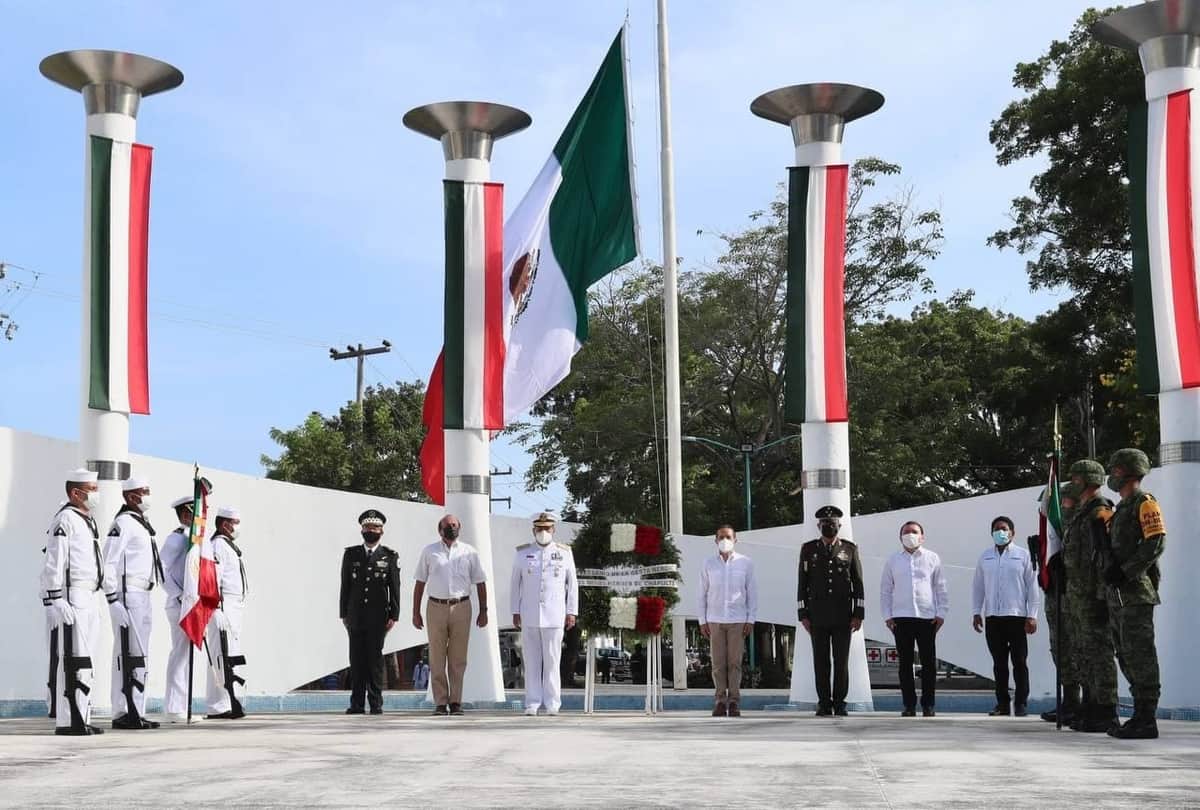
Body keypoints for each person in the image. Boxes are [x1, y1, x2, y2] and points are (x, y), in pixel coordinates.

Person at [1103, 448, 1166, 740]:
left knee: (1140, 654)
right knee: (1125, 653)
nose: (1112, 475)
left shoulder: (1145, 502)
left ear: (1129, 472)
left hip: (1136, 592)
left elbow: (1156, 542)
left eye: (1116, 470)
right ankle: (1139, 715)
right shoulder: (1121, 508)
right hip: (1118, 594)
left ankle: (1147, 717)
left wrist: (1126, 571)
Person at [41, 469, 106, 735]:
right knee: (74, 657)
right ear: (76, 493)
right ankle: (68, 720)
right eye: (92, 489)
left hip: (90, 594)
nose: (96, 493)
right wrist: (56, 598)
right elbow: (55, 560)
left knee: (86, 659)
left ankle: (82, 715)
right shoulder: (65, 519)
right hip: (73, 594)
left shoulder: (87, 520)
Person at [412, 514, 488, 716]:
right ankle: (440, 702)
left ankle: (455, 702)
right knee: (436, 657)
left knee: (458, 658)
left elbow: (480, 582)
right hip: (435, 606)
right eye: (448, 525)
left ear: (459, 528)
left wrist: (484, 610)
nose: (451, 528)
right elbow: (420, 582)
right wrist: (415, 612)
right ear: (440, 530)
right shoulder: (430, 551)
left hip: (461, 606)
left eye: (454, 525)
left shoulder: (469, 552)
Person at [1063, 459, 1119, 733]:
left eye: (1076, 478)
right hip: (1079, 593)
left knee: (1100, 652)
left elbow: (1105, 554)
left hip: (1093, 594)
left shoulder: (1100, 509)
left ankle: (1106, 709)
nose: (1073, 483)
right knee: (1084, 652)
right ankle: (1091, 704)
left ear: (1088, 480)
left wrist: (1100, 593)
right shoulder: (1082, 512)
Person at [103, 477, 163, 730]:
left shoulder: (141, 523)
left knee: (140, 654)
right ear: (130, 496)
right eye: (143, 492)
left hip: (143, 594)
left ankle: (136, 708)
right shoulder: (123, 523)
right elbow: (108, 562)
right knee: (125, 653)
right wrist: (112, 599)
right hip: (127, 594)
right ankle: (122, 711)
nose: (147, 496)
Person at [798, 505, 864, 717]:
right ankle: (824, 703)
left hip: (843, 615)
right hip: (817, 616)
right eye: (825, 523)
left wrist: (858, 613)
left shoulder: (849, 549)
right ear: (819, 526)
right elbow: (802, 584)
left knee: (841, 661)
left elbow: (858, 582)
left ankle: (840, 702)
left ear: (839, 525)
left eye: (833, 523)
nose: (829, 526)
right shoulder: (808, 549)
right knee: (821, 661)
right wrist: (803, 614)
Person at [510, 510, 578, 716]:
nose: (543, 532)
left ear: (553, 529)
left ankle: (552, 703)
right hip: (529, 614)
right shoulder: (523, 553)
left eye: (547, 528)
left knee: (552, 661)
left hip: (554, 615)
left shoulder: (564, 553)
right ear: (533, 530)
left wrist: (571, 611)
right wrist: (515, 610)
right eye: (539, 528)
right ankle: (532, 703)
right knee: (531, 662)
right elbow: (515, 584)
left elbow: (572, 584)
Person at [972, 515, 1039, 717]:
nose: (1000, 532)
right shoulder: (985, 557)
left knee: (1020, 662)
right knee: (999, 664)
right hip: (993, 616)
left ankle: (1021, 703)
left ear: (1012, 532)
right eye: (997, 529)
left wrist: (1032, 615)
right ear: (991, 533)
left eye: (1004, 529)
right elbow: (978, 587)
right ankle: (1002, 704)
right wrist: (976, 612)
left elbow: (1032, 588)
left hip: (1017, 616)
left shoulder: (1023, 555)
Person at [881, 520, 948, 717]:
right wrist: (887, 616)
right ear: (900, 537)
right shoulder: (893, 560)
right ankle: (909, 705)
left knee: (928, 663)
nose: (910, 535)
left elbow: (941, 587)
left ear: (922, 536)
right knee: (905, 664)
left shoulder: (932, 558)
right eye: (906, 532)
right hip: (901, 618)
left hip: (927, 617)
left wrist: (941, 613)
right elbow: (886, 590)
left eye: (914, 531)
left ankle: (928, 705)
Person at [340, 509, 401, 715]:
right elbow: (345, 586)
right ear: (361, 530)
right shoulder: (351, 554)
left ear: (381, 531)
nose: (371, 531)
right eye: (367, 527)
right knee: (356, 660)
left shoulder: (389, 556)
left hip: (378, 617)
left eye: (375, 528)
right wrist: (343, 613)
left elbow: (394, 587)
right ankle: (357, 704)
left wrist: (394, 615)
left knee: (375, 660)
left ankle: (376, 703)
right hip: (355, 615)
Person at [699, 524, 757, 718]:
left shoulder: (746, 563)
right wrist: (702, 620)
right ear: (716, 540)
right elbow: (702, 593)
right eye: (721, 537)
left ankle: (734, 702)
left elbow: (752, 593)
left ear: (735, 540)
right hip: (714, 619)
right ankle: (719, 701)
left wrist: (751, 619)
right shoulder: (708, 563)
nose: (725, 540)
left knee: (735, 663)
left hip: (738, 619)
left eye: (728, 537)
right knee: (717, 663)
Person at [1037, 483, 1082, 724]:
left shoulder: (1078, 525)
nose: (1046, 510)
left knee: (1076, 650)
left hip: (1073, 597)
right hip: (1055, 596)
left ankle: (1085, 703)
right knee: (1059, 650)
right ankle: (1070, 701)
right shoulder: (1056, 530)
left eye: (1055, 504)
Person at [206, 507, 248, 720]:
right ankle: (218, 705)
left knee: (229, 654)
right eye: (235, 522)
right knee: (220, 654)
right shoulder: (217, 545)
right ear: (225, 524)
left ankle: (229, 700)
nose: (238, 526)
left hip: (234, 605)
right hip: (223, 605)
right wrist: (216, 608)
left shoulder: (228, 545)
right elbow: (213, 579)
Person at [159, 496, 195, 723]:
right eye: (194, 512)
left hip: (189, 604)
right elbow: (160, 569)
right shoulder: (176, 538)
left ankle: (181, 705)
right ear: (184, 514)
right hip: (179, 604)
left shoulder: (192, 539)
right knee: (180, 656)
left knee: (186, 656)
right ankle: (174, 708)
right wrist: (178, 594)